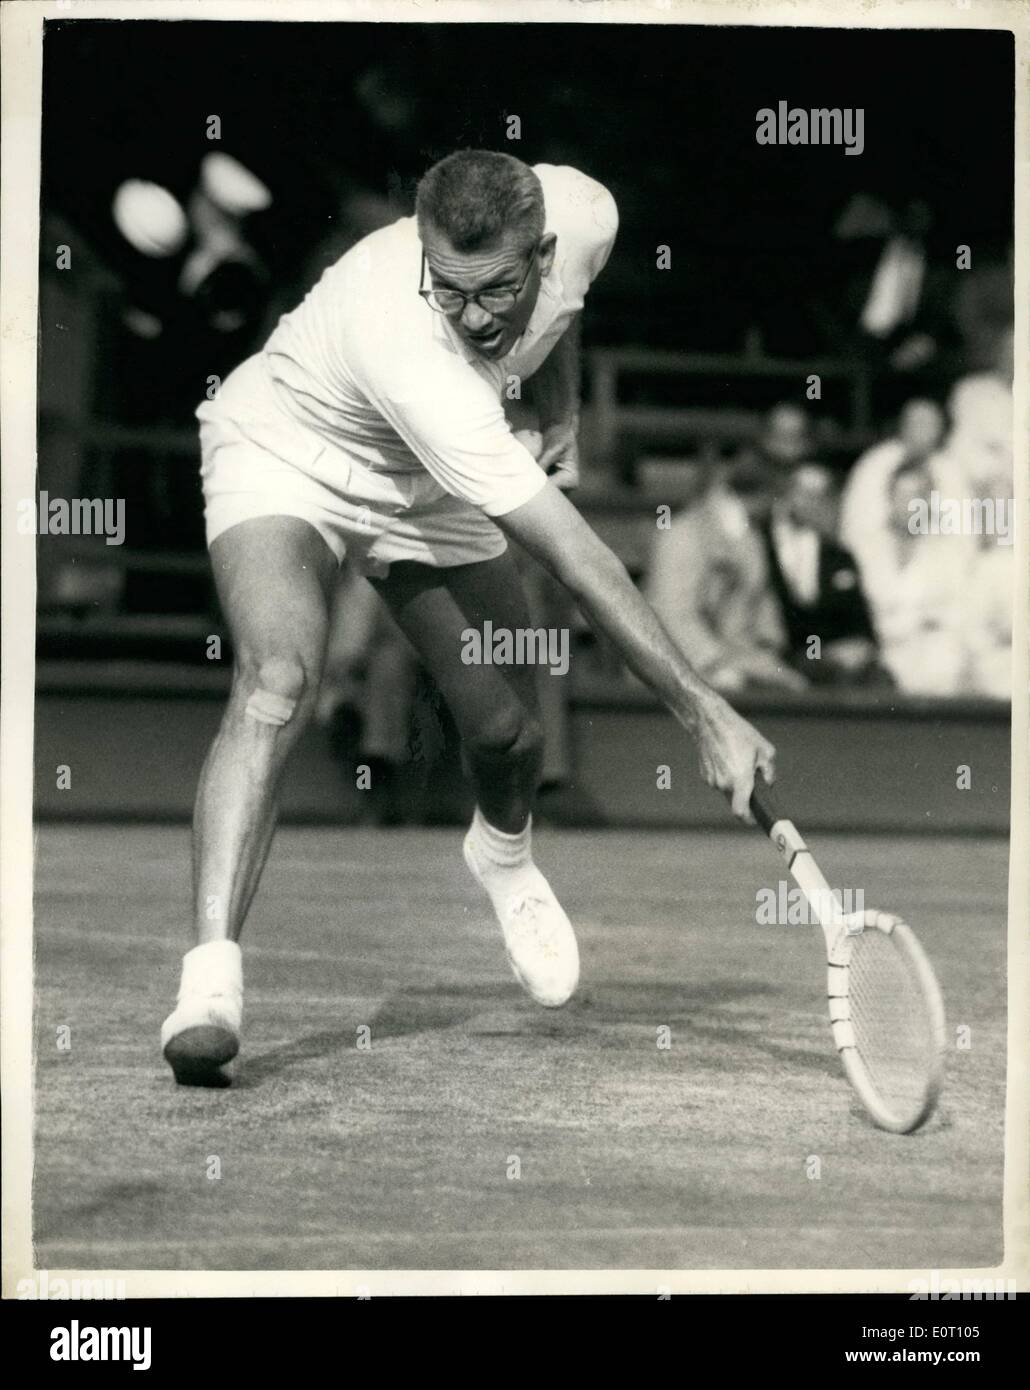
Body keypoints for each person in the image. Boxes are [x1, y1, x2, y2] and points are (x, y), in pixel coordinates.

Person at [161, 151, 775, 1085]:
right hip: (285, 448)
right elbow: (579, 559)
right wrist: (705, 711)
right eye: (449, 291)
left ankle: (503, 855)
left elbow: (563, 307)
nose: (476, 316)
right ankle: (209, 983)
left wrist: (559, 397)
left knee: (508, 732)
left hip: (427, 490)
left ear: (544, 249)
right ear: (421, 256)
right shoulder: (404, 340)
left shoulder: (588, 218)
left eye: (495, 290)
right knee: (277, 681)